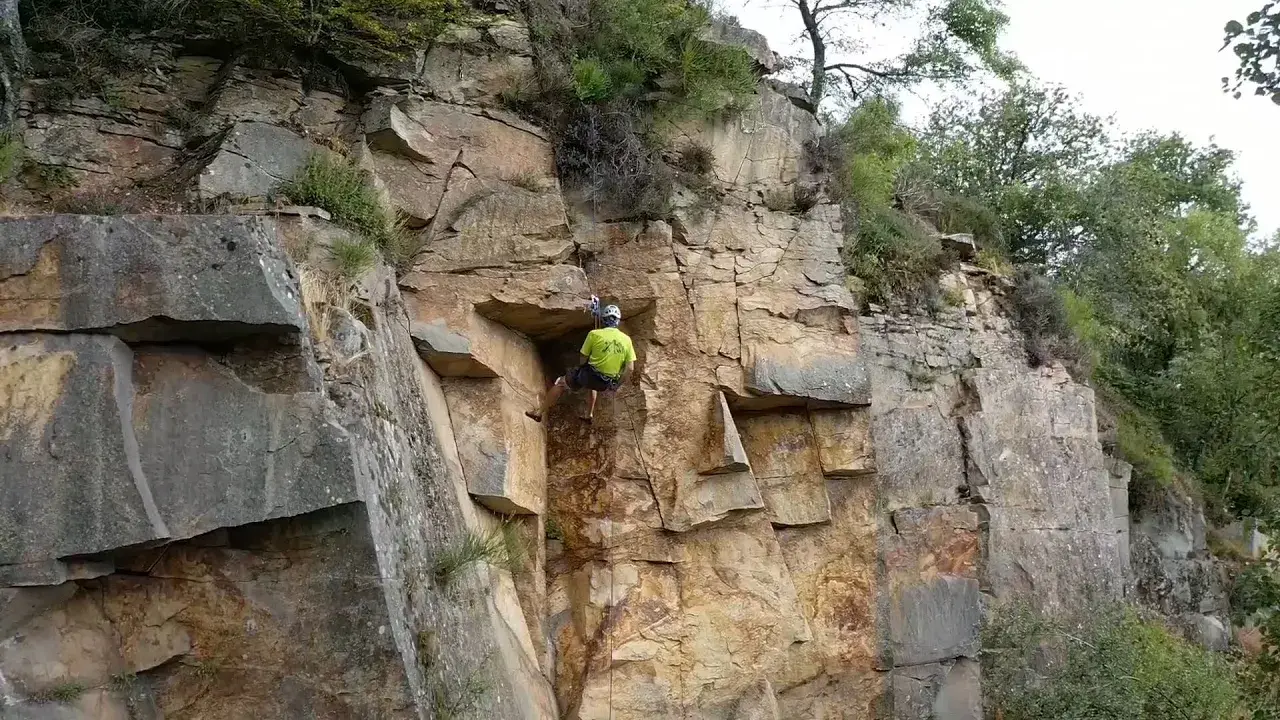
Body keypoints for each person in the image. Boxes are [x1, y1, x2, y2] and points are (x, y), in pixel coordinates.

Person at [526, 305, 635, 423]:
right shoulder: (627, 340)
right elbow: (630, 368)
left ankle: (539, 412)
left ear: (604, 320)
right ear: (617, 321)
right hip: (606, 383)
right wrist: (617, 384)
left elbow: (583, 356)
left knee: (562, 382)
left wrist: (581, 366)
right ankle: (589, 414)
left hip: (589, 376)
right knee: (593, 382)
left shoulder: (594, 334)